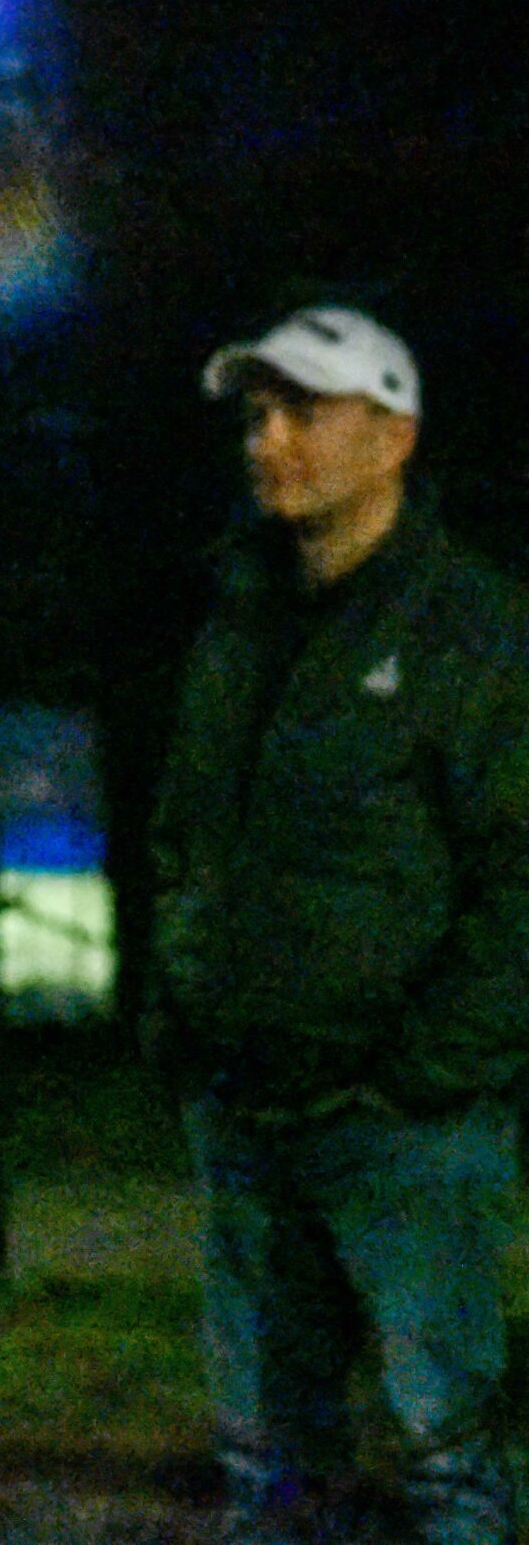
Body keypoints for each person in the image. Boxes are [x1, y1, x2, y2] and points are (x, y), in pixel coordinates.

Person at [149, 305, 529, 1545]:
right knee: (266, 1463)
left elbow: (520, 878)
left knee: (446, 1454)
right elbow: (184, 840)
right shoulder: (237, 620)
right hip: (247, 1114)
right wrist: (185, 1012)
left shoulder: (470, 632)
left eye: (303, 412)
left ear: (394, 434)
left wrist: (423, 1072)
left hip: (403, 1132)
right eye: (256, 416)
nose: (269, 441)